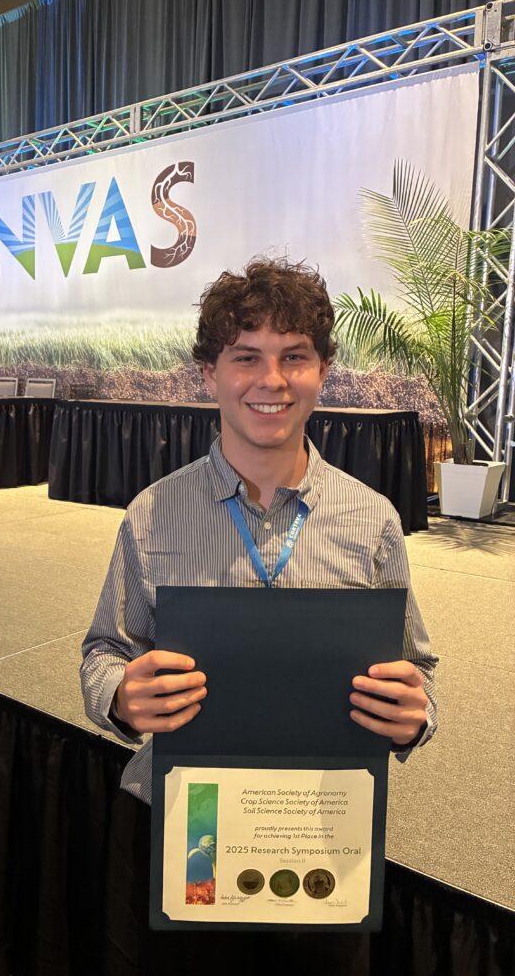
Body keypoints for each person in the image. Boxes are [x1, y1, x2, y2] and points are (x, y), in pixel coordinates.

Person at [81, 257, 436, 803]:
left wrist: (415, 715)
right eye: (247, 357)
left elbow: (415, 667)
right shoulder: (152, 514)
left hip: (324, 814)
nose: (271, 380)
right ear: (210, 374)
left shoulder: (374, 520)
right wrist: (119, 698)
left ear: (323, 370)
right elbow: (106, 649)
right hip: (187, 807)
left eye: (294, 356)